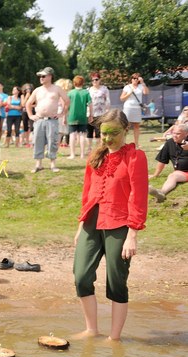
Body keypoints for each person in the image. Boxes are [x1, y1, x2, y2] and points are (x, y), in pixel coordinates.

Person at [73, 109, 148, 341]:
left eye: (113, 133)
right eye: (103, 133)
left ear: (125, 130)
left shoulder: (136, 157)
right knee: (81, 276)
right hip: (92, 222)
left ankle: (114, 338)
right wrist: (80, 226)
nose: (106, 139)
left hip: (121, 224)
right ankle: (91, 329)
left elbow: (139, 196)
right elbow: (88, 193)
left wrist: (132, 234)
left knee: (116, 280)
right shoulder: (96, 156)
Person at [25, 67, 70, 173]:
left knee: (52, 141)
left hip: (52, 120)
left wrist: (62, 113)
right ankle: (38, 164)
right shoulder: (37, 90)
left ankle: (53, 164)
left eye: (43, 76)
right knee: (37, 141)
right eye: (40, 76)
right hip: (39, 119)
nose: (41, 78)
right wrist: (31, 116)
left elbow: (67, 101)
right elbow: (28, 104)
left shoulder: (57, 89)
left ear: (50, 76)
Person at [148, 122, 188, 202]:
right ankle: (161, 194)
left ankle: (161, 193)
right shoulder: (170, 142)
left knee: (174, 175)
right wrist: (155, 174)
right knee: (173, 176)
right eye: (173, 133)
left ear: (186, 134)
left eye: (178, 134)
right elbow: (162, 160)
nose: (174, 136)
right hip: (181, 172)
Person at [120, 73, 149, 148]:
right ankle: (123, 143)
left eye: (137, 78)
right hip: (128, 108)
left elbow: (146, 92)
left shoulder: (140, 86)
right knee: (126, 126)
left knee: (136, 126)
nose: (135, 80)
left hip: (137, 108)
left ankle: (136, 143)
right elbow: (122, 98)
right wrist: (129, 93)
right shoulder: (127, 87)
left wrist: (142, 82)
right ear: (131, 79)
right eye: (133, 78)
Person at [67, 76, 92, 160]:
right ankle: (82, 155)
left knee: (72, 135)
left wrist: (64, 116)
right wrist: (91, 115)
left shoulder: (70, 93)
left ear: (74, 83)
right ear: (83, 83)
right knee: (82, 135)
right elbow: (90, 104)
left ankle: (72, 154)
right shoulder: (86, 93)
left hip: (72, 116)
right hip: (82, 116)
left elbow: (66, 105)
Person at [87, 72, 111, 150]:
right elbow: (87, 102)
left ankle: (99, 148)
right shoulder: (88, 90)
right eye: (93, 80)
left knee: (99, 132)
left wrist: (108, 112)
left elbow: (108, 101)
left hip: (101, 113)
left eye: (96, 79)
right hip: (90, 113)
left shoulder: (104, 89)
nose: (94, 81)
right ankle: (89, 148)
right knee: (89, 131)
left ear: (99, 80)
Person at [20, 83, 33, 147]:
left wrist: (30, 105)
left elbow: (36, 104)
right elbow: (23, 104)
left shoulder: (33, 95)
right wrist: (27, 96)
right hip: (25, 112)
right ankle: (26, 141)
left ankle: (32, 141)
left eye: (29, 89)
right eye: (27, 89)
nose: (28, 90)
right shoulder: (22, 96)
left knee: (32, 126)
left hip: (32, 111)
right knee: (25, 127)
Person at [0, 82, 8, 147]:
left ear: (2, 87)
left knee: (0, 128)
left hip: (1, 114)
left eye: (0, 86)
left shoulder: (6, 96)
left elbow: (5, 103)